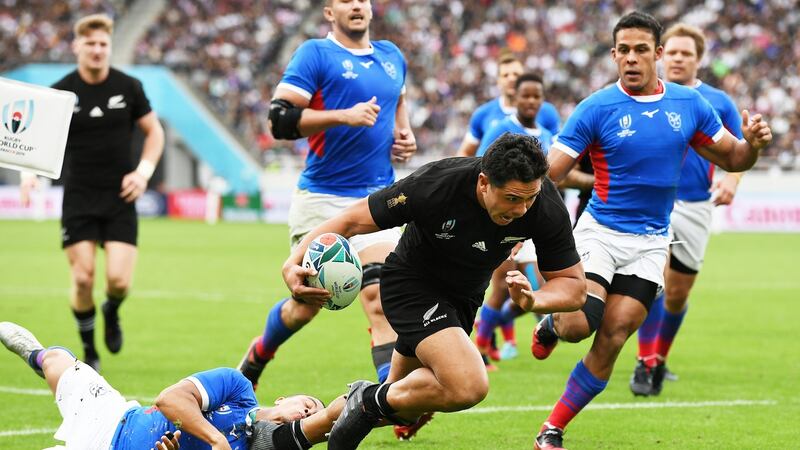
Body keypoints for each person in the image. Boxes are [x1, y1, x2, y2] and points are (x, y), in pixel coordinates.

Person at [529, 11, 772, 449]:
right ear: (613, 55)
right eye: (624, 50)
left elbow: (734, 158)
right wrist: (517, 219)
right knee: (579, 326)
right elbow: (550, 175)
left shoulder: (689, 105)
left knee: (614, 335)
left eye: (641, 49)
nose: (632, 58)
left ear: (657, 53)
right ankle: (552, 323)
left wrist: (752, 145)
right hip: (600, 233)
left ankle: (551, 429)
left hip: (651, 242)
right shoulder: (596, 107)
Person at [281, 133, 587, 450]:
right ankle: (367, 399)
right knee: (468, 385)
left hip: (464, 299)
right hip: (412, 285)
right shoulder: (437, 184)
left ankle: (290, 436)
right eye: (511, 198)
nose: (522, 209)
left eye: (530, 198)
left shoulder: (544, 205)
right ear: (484, 182)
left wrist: (535, 300)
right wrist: (293, 262)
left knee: (402, 406)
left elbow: (574, 286)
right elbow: (351, 221)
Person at [237, 0, 415, 403]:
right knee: (305, 306)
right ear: (329, 12)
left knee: (380, 296)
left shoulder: (392, 56)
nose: (356, 5)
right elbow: (280, 120)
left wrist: (403, 135)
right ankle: (259, 354)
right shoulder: (315, 54)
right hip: (322, 198)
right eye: (345, 0)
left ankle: (390, 400)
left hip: (376, 200)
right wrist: (342, 116)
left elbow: (398, 101)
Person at [19, 14, 165, 372]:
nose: (97, 50)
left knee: (118, 281)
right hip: (80, 195)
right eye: (90, 44)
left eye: (103, 44)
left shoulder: (129, 87)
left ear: (109, 47)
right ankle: (89, 349)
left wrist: (143, 173)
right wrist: (28, 174)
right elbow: (34, 139)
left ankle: (111, 310)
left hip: (121, 196)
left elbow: (155, 133)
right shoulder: (61, 93)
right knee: (83, 277)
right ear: (77, 46)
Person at [0, 321, 345, 450]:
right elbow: (169, 400)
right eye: (307, 404)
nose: (306, 412)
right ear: (282, 398)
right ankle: (34, 354)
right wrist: (216, 439)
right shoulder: (237, 387)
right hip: (112, 419)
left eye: (311, 415)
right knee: (55, 362)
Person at [629, 23, 745, 397]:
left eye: (686, 53)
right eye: (674, 52)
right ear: (662, 55)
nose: (679, 59)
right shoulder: (645, 95)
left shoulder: (718, 101)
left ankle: (659, 358)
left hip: (696, 205)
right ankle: (645, 362)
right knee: (654, 280)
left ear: (698, 59)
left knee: (678, 294)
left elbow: (740, 150)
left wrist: (732, 180)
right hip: (654, 203)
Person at [473, 73, 554, 365]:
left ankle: (490, 328)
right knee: (500, 286)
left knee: (534, 292)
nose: (531, 101)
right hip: (505, 219)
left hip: (534, 222)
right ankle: (481, 350)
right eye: (525, 96)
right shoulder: (501, 129)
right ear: (515, 98)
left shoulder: (547, 135)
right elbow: (480, 167)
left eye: (536, 96)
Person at [456, 54, 560, 157]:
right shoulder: (483, 114)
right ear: (498, 81)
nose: (511, 79)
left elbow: (558, 151)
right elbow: (465, 153)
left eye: (516, 74)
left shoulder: (546, 112)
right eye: (505, 75)